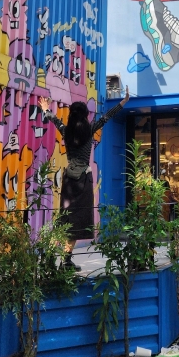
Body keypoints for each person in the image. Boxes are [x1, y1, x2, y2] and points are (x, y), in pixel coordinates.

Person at [40, 87, 130, 270]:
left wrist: (45, 108)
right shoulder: (89, 130)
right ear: (85, 116)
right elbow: (107, 117)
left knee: (66, 219)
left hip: (69, 180)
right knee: (78, 221)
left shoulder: (66, 131)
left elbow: (54, 119)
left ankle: (53, 258)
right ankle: (66, 259)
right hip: (84, 179)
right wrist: (123, 102)